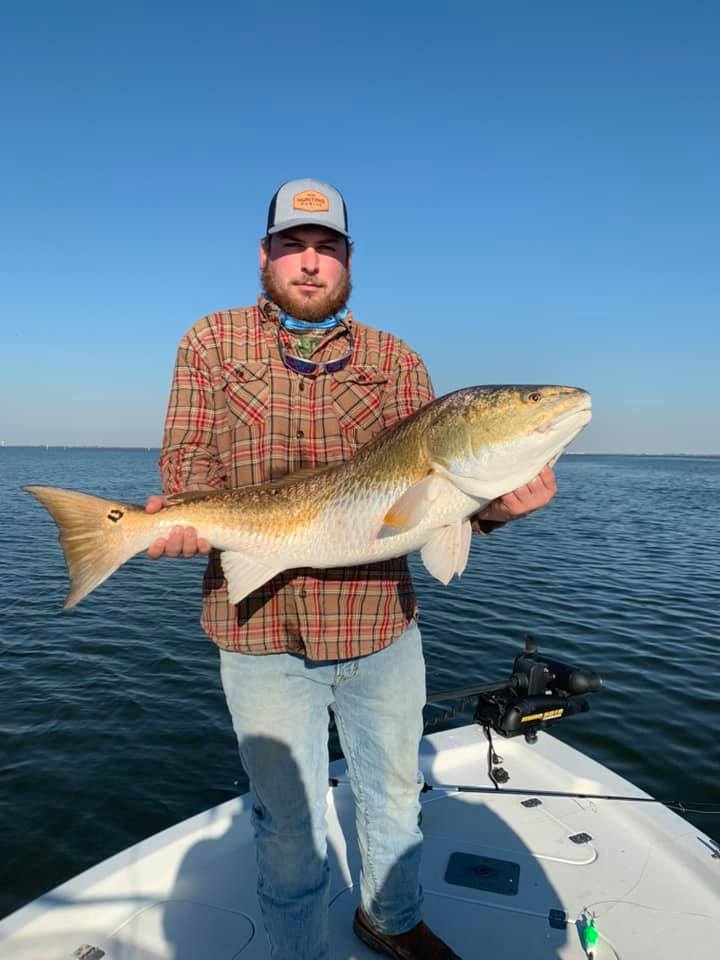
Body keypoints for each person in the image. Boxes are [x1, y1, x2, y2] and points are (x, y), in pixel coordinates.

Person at [146, 178, 557, 959]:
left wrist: (493, 510)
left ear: (348, 260)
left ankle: (390, 922)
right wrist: (175, 518)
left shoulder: (397, 360)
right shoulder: (209, 341)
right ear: (265, 255)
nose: (309, 263)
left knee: (397, 799)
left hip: (381, 630)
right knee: (289, 826)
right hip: (260, 632)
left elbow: (434, 511)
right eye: (293, 246)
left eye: (326, 248)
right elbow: (187, 458)